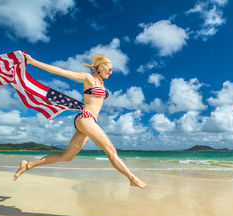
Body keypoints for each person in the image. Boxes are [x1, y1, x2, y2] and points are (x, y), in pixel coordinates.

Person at [13, 53, 150, 189]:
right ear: (101, 67)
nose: (111, 72)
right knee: (111, 151)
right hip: (85, 119)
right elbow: (62, 72)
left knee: (66, 156)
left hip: (89, 121)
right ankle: (133, 179)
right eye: (109, 69)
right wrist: (33, 62)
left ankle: (28, 164)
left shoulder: (101, 83)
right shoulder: (88, 78)